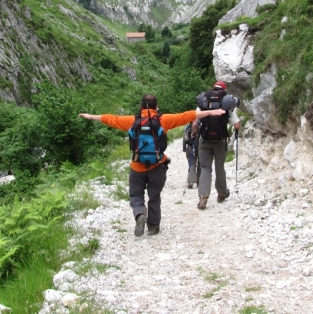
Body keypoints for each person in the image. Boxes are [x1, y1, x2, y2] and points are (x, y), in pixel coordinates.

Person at [79, 94, 226, 236]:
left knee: (136, 194)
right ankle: (153, 227)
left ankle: (140, 213)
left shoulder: (132, 121)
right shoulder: (164, 120)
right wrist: (211, 111)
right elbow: (187, 116)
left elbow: (111, 119)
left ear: (141, 106)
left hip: (137, 167)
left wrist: (91, 116)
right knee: (154, 196)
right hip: (157, 166)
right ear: (157, 107)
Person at [195, 80, 241, 210]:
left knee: (205, 167)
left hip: (204, 139)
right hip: (220, 140)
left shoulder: (204, 99)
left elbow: (195, 121)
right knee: (219, 166)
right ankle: (221, 193)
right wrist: (237, 129)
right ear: (224, 89)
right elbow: (236, 124)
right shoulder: (227, 101)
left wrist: (194, 133)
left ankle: (203, 197)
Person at [182, 120, 199, 189]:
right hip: (200, 147)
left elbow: (184, 139)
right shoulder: (200, 126)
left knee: (192, 165)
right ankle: (200, 182)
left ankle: (191, 181)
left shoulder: (187, 127)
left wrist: (184, 148)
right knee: (201, 165)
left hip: (190, 147)